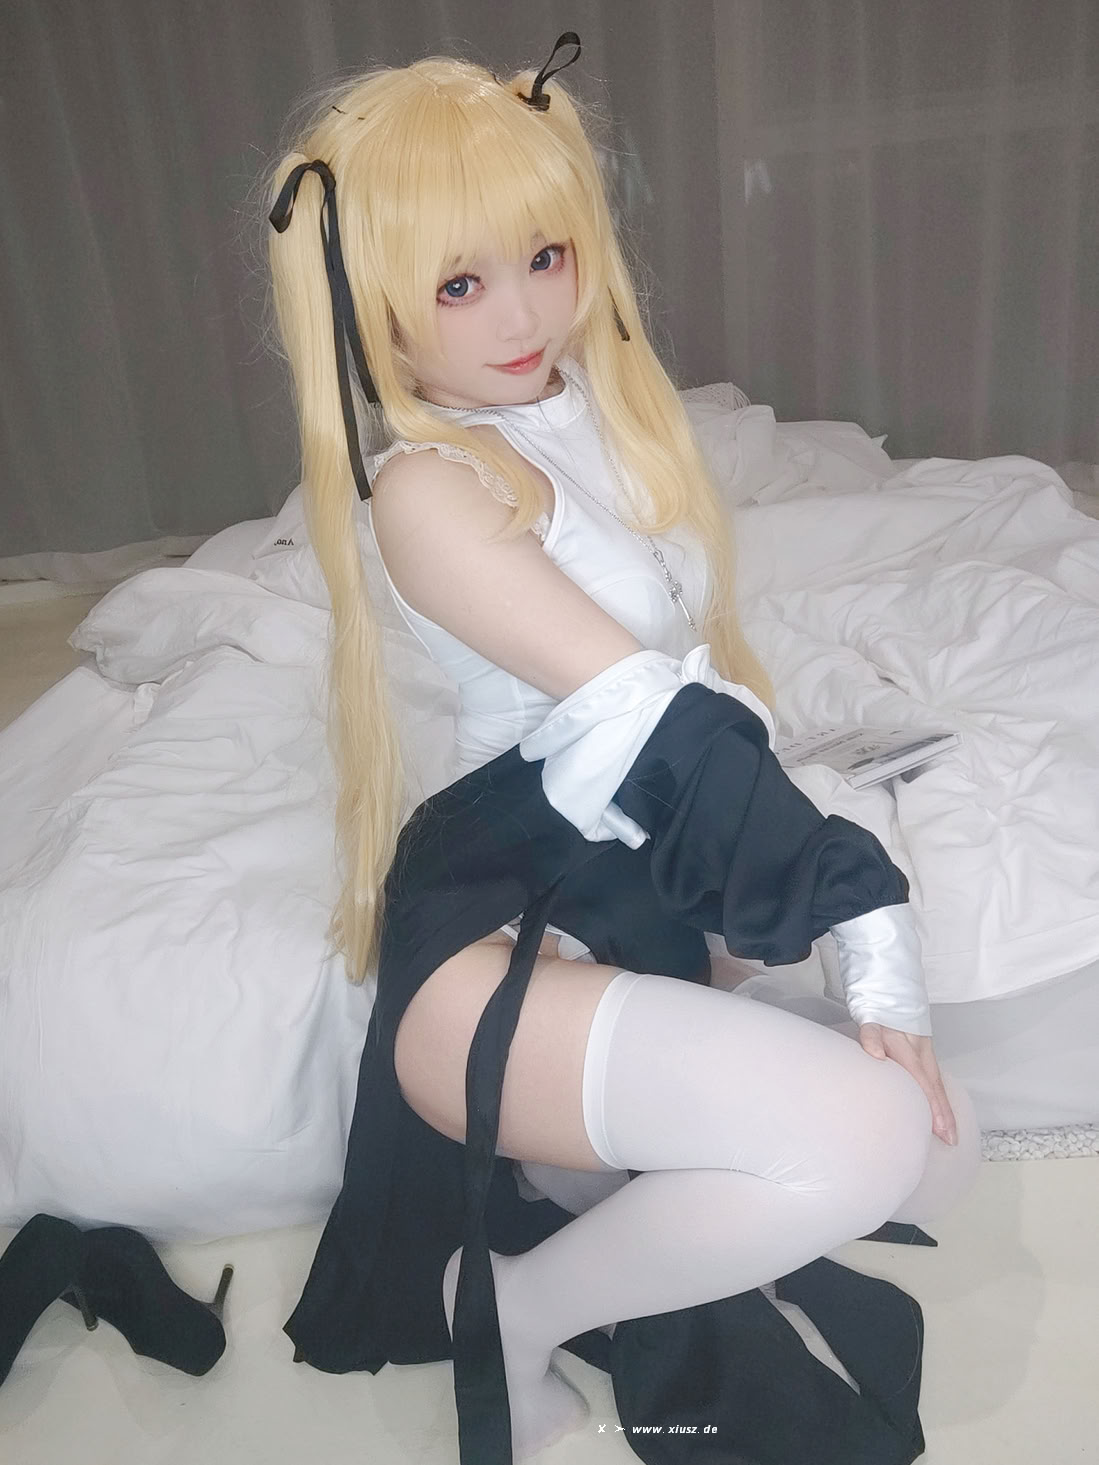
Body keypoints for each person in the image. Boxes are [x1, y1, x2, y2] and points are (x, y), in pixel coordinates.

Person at [264, 32, 980, 1465]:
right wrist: (862, 905)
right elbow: (647, 716)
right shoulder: (427, 489)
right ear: (371, 304)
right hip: (495, 950)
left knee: (945, 1149)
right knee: (873, 1138)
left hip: (616, 898)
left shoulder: (588, 414)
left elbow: (687, 706)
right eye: (458, 284)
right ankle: (508, 1305)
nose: (523, 311)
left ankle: (579, 1203)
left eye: (546, 256)